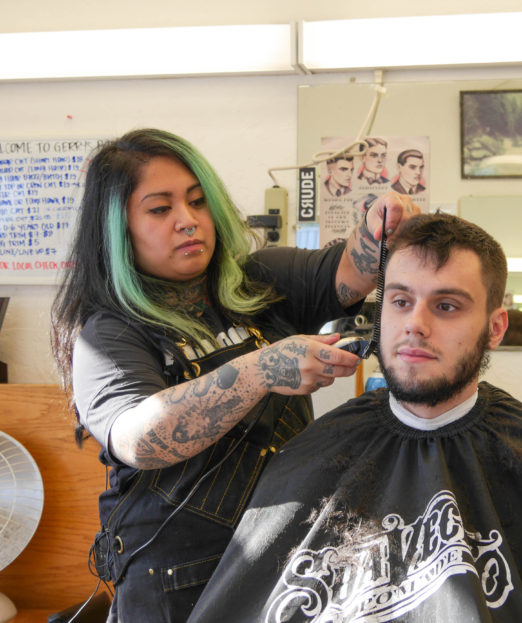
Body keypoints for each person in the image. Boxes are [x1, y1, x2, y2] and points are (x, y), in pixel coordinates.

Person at [187, 213, 522, 622]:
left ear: (494, 329)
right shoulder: (309, 458)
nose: (415, 323)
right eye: (400, 301)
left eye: (447, 306)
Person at [49, 128, 418, 622]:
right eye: (160, 209)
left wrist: (380, 227)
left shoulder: (258, 283)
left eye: (198, 202)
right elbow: (140, 438)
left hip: (280, 560)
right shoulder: (108, 333)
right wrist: (261, 370)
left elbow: (353, 269)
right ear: (117, 229)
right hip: (174, 580)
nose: (188, 221)